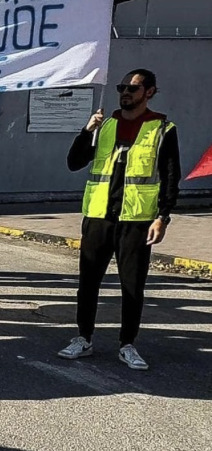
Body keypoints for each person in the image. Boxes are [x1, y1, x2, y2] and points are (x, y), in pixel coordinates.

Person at [59, 69, 180, 371]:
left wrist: (163, 217)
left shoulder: (162, 128)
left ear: (149, 92)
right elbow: (74, 163)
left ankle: (128, 344)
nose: (125, 92)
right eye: (122, 87)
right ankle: (83, 338)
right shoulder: (106, 125)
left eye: (132, 88)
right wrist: (86, 131)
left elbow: (170, 176)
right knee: (88, 283)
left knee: (132, 286)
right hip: (99, 216)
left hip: (137, 219)